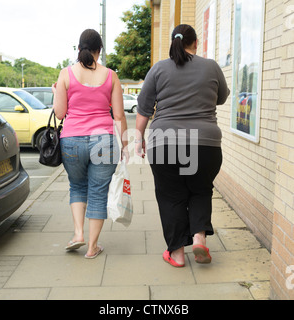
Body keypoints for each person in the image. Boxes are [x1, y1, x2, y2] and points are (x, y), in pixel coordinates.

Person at [135, 24, 230, 267]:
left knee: (171, 196)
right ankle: (199, 237)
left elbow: (144, 109)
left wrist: (138, 137)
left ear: (173, 42)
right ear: (195, 43)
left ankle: (177, 254)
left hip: (164, 144)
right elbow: (221, 97)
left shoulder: (158, 69)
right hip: (205, 145)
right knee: (200, 189)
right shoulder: (211, 67)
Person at [53, 29, 129, 259]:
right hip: (104, 140)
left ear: (79, 49)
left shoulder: (65, 74)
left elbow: (59, 114)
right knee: (98, 192)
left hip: (73, 140)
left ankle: (78, 234)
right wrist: (125, 144)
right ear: (100, 50)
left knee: (77, 186)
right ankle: (92, 247)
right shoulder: (111, 76)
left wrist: (57, 92)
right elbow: (118, 115)